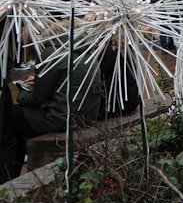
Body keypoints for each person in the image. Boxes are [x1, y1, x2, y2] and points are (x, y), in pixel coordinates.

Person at [1, 37, 105, 182]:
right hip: (86, 116)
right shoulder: (85, 49)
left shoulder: (52, 53)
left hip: (62, 120)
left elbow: (37, 98)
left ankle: (9, 180)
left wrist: (23, 91)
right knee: (18, 122)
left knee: (12, 119)